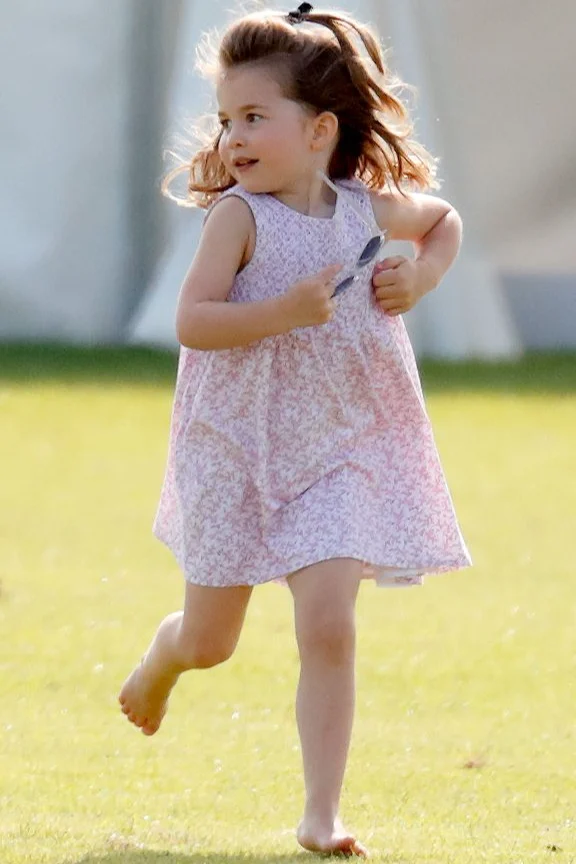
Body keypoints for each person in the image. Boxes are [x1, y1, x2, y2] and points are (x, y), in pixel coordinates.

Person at [119, 2, 472, 856]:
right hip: (237, 448)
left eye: (254, 117)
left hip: (340, 445)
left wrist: (419, 276)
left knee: (329, 625)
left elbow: (442, 219)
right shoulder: (237, 217)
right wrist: (278, 310)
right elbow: (194, 321)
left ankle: (322, 815)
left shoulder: (361, 207)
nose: (233, 137)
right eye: (226, 119)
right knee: (214, 641)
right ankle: (165, 659)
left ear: (319, 131)